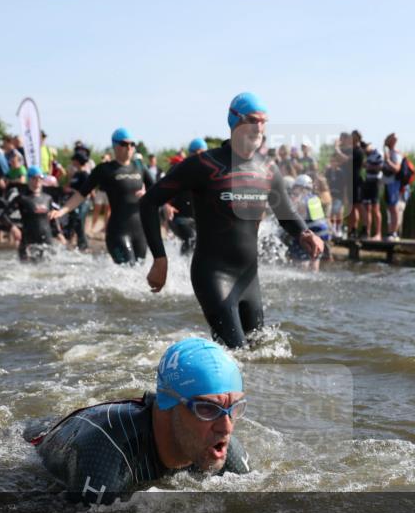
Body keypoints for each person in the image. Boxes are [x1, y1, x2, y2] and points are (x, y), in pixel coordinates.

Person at [138, 92, 324, 348]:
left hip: (249, 279)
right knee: (237, 353)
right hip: (212, 275)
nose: (259, 127)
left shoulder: (268, 169)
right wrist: (160, 259)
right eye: (252, 120)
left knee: (260, 354)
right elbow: (148, 202)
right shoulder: (203, 165)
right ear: (234, 120)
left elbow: (286, 213)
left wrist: (304, 233)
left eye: (263, 121)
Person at [27, 337, 250, 505]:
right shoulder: (106, 453)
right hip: (38, 441)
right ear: (167, 404)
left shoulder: (222, 448)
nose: (226, 427)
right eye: (206, 409)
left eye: (234, 408)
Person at [52, 127, 154, 264]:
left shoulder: (140, 167)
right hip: (118, 232)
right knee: (128, 268)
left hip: (139, 230)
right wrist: (62, 211)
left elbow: (158, 189)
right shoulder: (105, 169)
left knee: (140, 271)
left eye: (132, 144)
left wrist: (154, 199)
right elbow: (82, 194)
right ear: (115, 146)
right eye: (124, 144)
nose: (129, 148)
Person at [2, 166, 62, 262]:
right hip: (28, 241)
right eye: (35, 178)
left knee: (49, 272)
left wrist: (59, 234)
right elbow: (4, 216)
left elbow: (53, 218)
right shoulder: (22, 198)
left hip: (46, 239)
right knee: (27, 272)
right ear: (29, 179)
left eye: (40, 178)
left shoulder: (48, 198)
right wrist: (13, 228)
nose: (38, 181)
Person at [164, 138, 207, 256]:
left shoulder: (209, 174)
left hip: (196, 220)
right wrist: (166, 205)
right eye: (197, 154)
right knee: (191, 239)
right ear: (190, 154)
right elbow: (160, 193)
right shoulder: (179, 170)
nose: (200, 158)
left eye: (203, 154)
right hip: (178, 218)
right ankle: (184, 269)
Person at [286, 174, 331, 271]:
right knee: (315, 258)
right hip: (322, 234)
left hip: (312, 232)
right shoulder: (315, 198)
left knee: (301, 260)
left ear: (301, 187)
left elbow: (296, 217)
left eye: (296, 187)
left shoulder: (301, 200)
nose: (294, 190)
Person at [382, 133, 403, 239]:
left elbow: (397, 168)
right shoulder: (389, 152)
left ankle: (394, 232)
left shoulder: (395, 153)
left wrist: (388, 161)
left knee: (394, 208)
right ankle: (390, 231)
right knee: (390, 208)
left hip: (393, 183)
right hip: (387, 183)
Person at [362, 143, 384, 240]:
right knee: (367, 208)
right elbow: (365, 166)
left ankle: (378, 234)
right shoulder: (368, 155)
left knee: (375, 208)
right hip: (368, 181)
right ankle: (367, 232)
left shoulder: (378, 153)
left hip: (376, 182)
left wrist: (369, 166)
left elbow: (381, 166)